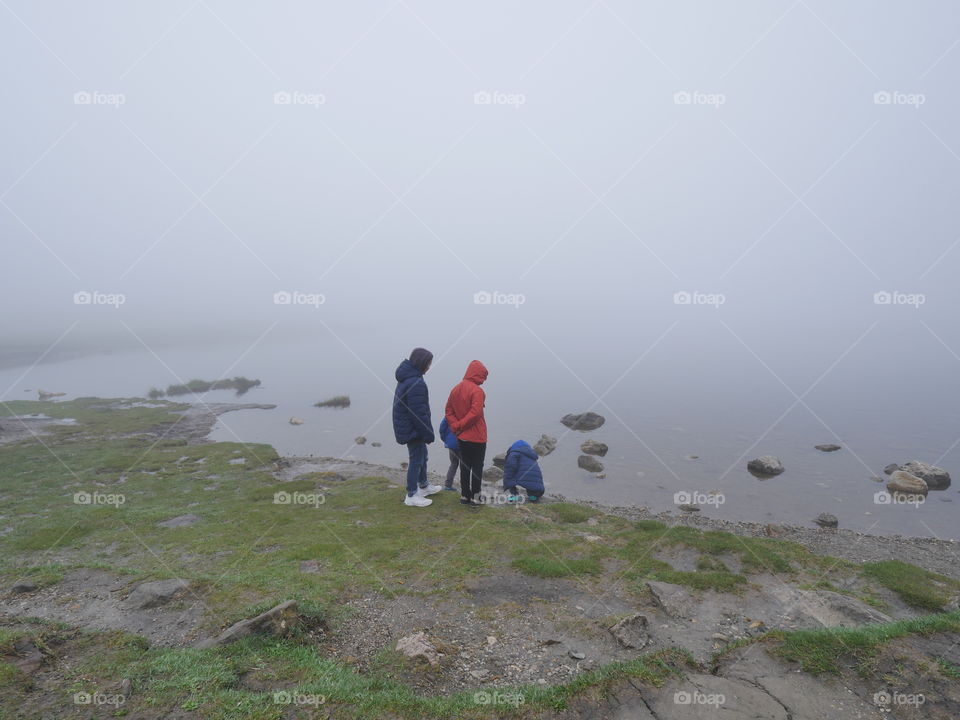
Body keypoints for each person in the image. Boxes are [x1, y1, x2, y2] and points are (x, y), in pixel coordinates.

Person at [392, 348, 441, 507]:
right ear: (422, 363)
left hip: (408, 426)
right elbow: (418, 413)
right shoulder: (415, 382)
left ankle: (424, 485)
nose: (429, 367)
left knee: (422, 456)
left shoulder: (408, 378)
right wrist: (428, 433)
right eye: (428, 363)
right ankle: (412, 494)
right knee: (416, 459)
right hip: (412, 429)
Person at [445, 360, 488, 507]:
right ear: (478, 374)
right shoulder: (477, 391)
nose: (483, 380)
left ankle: (464, 496)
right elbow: (475, 414)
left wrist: (456, 426)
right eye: (483, 376)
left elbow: (448, 411)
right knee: (477, 467)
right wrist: (460, 425)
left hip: (462, 436)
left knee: (465, 466)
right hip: (477, 437)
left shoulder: (455, 389)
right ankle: (476, 498)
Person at [438, 417, 461, 491]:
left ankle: (448, 485)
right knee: (464, 465)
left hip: (451, 444)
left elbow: (442, 428)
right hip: (462, 443)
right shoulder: (464, 414)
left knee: (454, 464)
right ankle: (465, 485)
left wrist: (446, 439)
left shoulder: (449, 415)